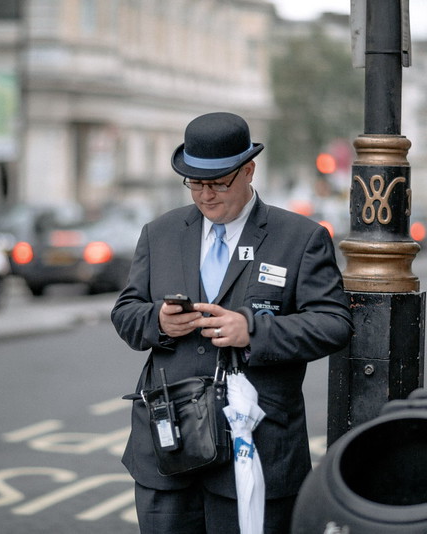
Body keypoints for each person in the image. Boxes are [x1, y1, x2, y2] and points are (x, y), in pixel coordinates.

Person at [111, 111, 353, 533]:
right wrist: (160, 322)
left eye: (218, 183)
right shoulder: (160, 233)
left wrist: (252, 331)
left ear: (248, 171)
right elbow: (126, 313)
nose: (205, 196)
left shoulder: (300, 238)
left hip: (257, 447)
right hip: (169, 451)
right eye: (195, 183)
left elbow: (334, 324)